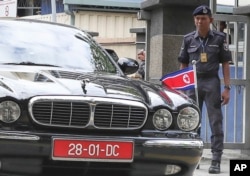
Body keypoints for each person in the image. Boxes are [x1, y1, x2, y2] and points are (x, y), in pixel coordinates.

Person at [177, 5, 232, 174]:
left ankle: (216, 159)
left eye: (203, 19)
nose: (200, 22)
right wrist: (182, 88)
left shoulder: (219, 38)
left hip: (211, 82)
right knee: (192, 121)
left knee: (216, 122)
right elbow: (183, 63)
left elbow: (225, 64)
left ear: (211, 21)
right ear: (194, 20)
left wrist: (227, 88)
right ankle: (195, 157)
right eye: (197, 19)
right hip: (193, 83)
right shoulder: (188, 39)